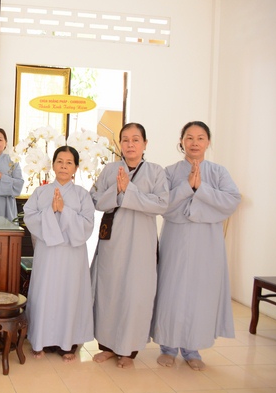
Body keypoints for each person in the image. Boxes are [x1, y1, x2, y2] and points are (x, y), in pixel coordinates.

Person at [151, 121, 241, 371]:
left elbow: (232, 201)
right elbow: (162, 204)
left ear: (208, 142)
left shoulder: (218, 172)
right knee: (172, 290)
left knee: (200, 293)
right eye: (189, 137)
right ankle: (168, 347)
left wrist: (201, 187)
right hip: (176, 239)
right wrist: (186, 187)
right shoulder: (169, 172)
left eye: (200, 138)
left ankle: (193, 349)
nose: (194, 143)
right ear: (181, 141)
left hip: (207, 242)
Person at [89, 122, 169, 368]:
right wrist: (117, 191)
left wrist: (128, 191)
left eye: (136, 139)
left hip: (141, 245)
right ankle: (108, 346)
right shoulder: (110, 169)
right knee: (110, 292)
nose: (130, 144)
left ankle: (129, 350)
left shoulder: (156, 172)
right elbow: (94, 199)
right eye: (125, 139)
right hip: (113, 244)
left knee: (135, 295)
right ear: (120, 144)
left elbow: (161, 204)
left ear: (145, 144)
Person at [23, 145, 95, 362]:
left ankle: (67, 343)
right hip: (48, 253)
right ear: (53, 165)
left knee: (69, 295)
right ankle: (40, 340)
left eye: (69, 163)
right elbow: (29, 217)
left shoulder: (83, 195)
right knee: (45, 293)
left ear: (76, 168)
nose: (64, 166)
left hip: (73, 255)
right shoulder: (41, 192)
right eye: (60, 162)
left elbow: (87, 225)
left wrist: (64, 210)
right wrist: (51, 210)